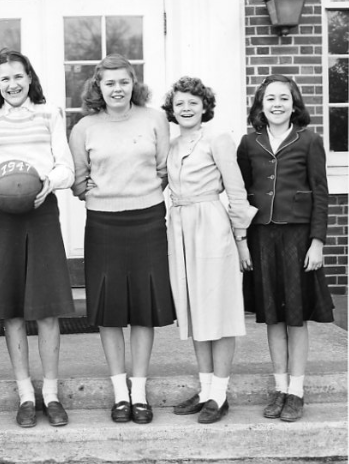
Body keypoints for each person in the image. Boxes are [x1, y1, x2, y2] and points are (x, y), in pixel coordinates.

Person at [0, 49, 75, 428]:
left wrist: (50, 182)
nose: (12, 84)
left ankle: (52, 393)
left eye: (18, 76)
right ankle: (26, 394)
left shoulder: (49, 114)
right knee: (11, 308)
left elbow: (66, 166)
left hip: (41, 212)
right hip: (3, 216)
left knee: (46, 309)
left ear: (30, 77)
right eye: (4, 78)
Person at [69, 54, 175, 424]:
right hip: (103, 224)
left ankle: (140, 393)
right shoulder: (84, 127)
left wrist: (138, 191)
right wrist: (93, 190)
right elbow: (78, 181)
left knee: (143, 307)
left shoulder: (155, 119)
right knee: (110, 310)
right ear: (97, 87)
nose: (117, 89)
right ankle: (119, 394)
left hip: (147, 220)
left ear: (134, 84)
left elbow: (164, 170)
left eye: (124, 81)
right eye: (109, 82)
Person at [237, 74, 335, 422]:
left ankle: (297, 390)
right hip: (262, 236)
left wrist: (318, 242)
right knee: (273, 315)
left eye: (283, 98)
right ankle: (279, 387)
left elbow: (320, 193)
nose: (276, 104)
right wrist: (242, 243)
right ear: (260, 107)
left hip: (298, 238)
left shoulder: (309, 141)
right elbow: (240, 193)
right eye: (270, 99)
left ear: (294, 105)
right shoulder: (249, 144)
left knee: (296, 316)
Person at [161, 76, 257, 424]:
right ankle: (204, 390)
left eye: (193, 103)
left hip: (212, 227)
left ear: (204, 107)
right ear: (171, 110)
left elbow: (236, 192)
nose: (186, 109)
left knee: (218, 310)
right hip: (181, 227)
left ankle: (220, 393)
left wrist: (241, 239)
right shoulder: (169, 145)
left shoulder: (217, 139)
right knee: (193, 311)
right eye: (179, 104)